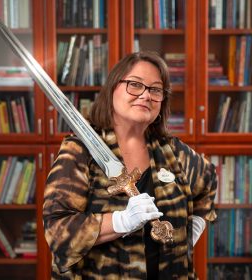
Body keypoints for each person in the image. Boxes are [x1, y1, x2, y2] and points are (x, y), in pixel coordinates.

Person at [43, 51, 217, 279]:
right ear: (113, 87)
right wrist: (120, 221)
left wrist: (193, 227)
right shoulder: (79, 151)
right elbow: (58, 231)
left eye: (156, 90)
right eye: (135, 85)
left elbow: (208, 180)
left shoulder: (173, 151)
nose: (146, 96)